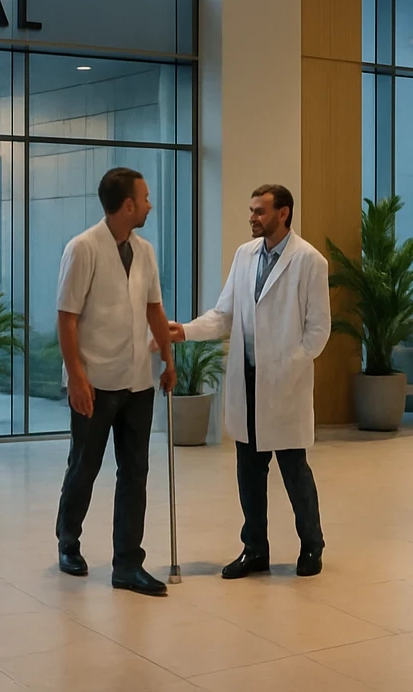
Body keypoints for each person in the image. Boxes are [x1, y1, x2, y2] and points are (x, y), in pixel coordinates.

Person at [170, 184, 331, 579]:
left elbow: (318, 330)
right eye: (251, 210)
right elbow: (224, 314)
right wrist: (185, 331)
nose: (252, 218)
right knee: (249, 473)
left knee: (295, 473)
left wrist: (288, 364)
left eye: (259, 211)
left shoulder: (310, 261)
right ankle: (254, 549)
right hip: (247, 381)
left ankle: (312, 546)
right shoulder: (244, 257)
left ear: (283, 213)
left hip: (284, 384)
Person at [54, 167, 177, 597]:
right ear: (127, 205)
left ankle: (127, 563)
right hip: (96, 380)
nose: (149, 204)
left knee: (135, 472)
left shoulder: (144, 250)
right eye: (144, 198)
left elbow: (154, 311)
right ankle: (68, 542)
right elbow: (66, 319)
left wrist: (168, 359)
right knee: (85, 466)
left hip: (137, 381)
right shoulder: (83, 248)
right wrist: (76, 378)